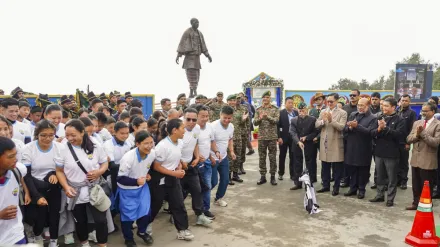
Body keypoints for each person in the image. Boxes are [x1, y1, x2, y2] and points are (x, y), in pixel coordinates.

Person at [55, 119, 110, 247]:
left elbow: (104, 162)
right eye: (67, 135)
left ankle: (103, 244)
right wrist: (66, 187)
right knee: (80, 221)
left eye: (73, 135)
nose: (69, 138)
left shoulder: (95, 145)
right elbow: (59, 171)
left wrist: (99, 172)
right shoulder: (63, 148)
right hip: (75, 191)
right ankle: (84, 244)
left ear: (82, 132)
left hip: (94, 188)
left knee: (101, 220)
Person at [148, 119, 194, 241]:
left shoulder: (179, 142)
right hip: (160, 180)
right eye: (182, 128)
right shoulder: (162, 146)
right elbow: (156, 166)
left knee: (178, 204)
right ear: (174, 130)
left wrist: (179, 165)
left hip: (173, 178)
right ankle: (145, 227)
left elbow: (177, 157)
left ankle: (182, 230)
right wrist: (174, 173)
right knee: (155, 205)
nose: (184, 130)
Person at [21, 120, 63, 247]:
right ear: (37, 135)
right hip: (35, 185)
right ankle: (37, 235)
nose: (47, 138)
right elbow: (26, 175)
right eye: (43, 135)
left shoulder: (59, 148)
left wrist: (54, 174)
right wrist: (37, 196)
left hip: (53, 185)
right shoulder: (28, 148)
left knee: (55, 214)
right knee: (40, 216)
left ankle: (54, 241)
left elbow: (63, 169)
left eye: (51, 135)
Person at [116, 130, 155, 247]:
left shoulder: (152, 153)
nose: (149, 146)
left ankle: (142, 232)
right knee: (127, 217)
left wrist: (148, 174)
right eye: (146, 143)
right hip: (127, 190)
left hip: (142, 188)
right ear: (137, 144)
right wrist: (136, 181)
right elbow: (120, 178)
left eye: (151, 143)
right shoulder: (128, 158)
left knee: (146, 212)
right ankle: (128, 238)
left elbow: (150, 165)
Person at [179, 108, 212, 225]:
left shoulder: (197, 128)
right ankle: (175, 214)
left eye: (194, 119)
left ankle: (200, 215)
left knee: (197, 190)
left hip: (192, 165)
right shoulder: (178, 130)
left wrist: (197, 157)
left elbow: (195, 144)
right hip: (178, 167)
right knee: (179, 194)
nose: (191, 122)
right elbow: (172, 149)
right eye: (188, 119)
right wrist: (181, 162)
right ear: (183, 118)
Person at [369, 97, 404, 207]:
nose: (384, 108)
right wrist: (379, 129)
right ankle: (379, 195)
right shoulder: (379, 117)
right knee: (380, 176)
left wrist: (386, 129)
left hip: (391, 153)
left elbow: (399, 135)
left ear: (393, 107)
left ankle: (390, 198)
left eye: (386, 106)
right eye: (383, 105)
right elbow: (373, 133)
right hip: (379, 152)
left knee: (391, 177)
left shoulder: (400, 119)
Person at [405, 102, 440, 210]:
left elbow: (435, 142)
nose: (423, 113)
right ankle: (415, 203)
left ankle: (426, 205)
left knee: (427, 185)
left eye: (426, 111)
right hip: (415, 159)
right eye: (422, 110)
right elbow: (408, 139)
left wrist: (423, 133)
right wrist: (416, 135)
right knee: (416, 184)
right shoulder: (417, 123)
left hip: (428, 160)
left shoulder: (438, 124)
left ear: (433, 111)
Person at [343, 98, 376, 199]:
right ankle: (353, 188)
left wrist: (357, 126)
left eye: (362, 105)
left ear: (368, 106)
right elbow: (345, 128)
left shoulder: (373, 118)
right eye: (358, 105)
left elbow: (370, 133)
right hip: (351, 146)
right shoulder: (353, 114)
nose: (360, 107)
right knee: (352, 169)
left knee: (363, 171)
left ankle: (361, 190)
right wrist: (349, 127)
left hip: (364, 148)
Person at [315, 93, 347, 196]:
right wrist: (323, 121)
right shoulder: (324, 111)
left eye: (331, 101)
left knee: (337, 167)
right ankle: (325, 185)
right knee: (325, 166)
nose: (329, 103)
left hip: (336, 142)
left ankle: (336, 187)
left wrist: (331, 120)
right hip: (324, 142)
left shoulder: (342, 113)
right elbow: (316, 124)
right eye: (328, 101)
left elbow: (341, 127)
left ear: (337, 101)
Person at [0, 137, 28, 245]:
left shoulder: (18, 170)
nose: (15, 159)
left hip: (14, 234)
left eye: (15, 154)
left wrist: (27, 192)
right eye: (10, 156)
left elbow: (24, 180)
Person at [176, 18, 212, 98]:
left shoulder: (199, 33)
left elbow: (203, 45)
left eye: (198, 22)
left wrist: (208, 55)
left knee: (197, 75)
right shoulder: (187, 32)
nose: (197, 24)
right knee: (191, 75)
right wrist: (179, 55)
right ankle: (193, 91)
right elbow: (182, 43)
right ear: (192, 23)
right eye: (196, 22)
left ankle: (193, 91)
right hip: (189, 58)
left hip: (197, 58)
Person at [195, 105, 218, 219]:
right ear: (197, 116)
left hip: (207, 161)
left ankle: (205, 209)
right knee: (192, 189)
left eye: (207, 116)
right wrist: (197, 156)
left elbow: (211, 142)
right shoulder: (193, 129)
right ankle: (176, 211)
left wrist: (215, 152)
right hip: (195, 163)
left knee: (209, 185)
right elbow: (193, 145)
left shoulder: (210, 127)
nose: (205, 118)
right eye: (202, 116)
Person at [289, 102, 319, 189]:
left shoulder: (313, 119)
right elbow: (292, 132)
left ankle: (309, 183)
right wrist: (298, 141)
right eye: (300, 110)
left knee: (310, 164)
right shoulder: (293, 120)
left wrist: (307, 137)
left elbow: (316, 132)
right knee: (297, 164)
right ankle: (297, 183)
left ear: (307, 110)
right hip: (297, 145)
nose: (302, 112)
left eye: (303, 110)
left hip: (309, 145)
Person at [210, 106, 235, 207]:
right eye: (224, 117)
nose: (226, 120)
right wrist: (215, 153)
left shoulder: (231, 126)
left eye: (229, 118)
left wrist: (231, 151)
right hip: (212, 157)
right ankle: (201, 198)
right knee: (213, 181)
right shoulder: (213, 126)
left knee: (225, 180)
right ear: (220, 115)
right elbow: (211, 142)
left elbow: (230, 140)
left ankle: (218, 198)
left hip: (223, 157)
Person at [254, 91, 280, 186]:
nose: (265, 99)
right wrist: (261, 118)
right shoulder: (258, 109)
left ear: (270, 99)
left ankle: (273, 177)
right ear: (262, 99)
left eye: (267, 97)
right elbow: (255, 123)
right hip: (262, 137)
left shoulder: (275, 109)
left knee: (272, 157)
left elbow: (276, 121)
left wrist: (267, 117)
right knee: (262, 157)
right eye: (264, 97)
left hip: (272, 137)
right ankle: (263, 176)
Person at [103, 122, 131, 195]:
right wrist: (129, 166)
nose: (125, 136)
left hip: (125, 173)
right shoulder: (108, 144)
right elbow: (112, 166)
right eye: (122, 133)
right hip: (112, 175)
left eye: (127, 133)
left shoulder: (128, 143)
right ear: (115, 132)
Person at [341, 89, 361, 188]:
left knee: (357, 161)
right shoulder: (345, 108)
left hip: (358, 139)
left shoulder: (361, 108)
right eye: (350, 95)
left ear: (358, 96)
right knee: (346, 160)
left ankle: (357, 181)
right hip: (346, 137)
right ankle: (346, 179)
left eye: (354, 95)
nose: (352, 97)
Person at [396, 94, 417, 190]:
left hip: (404, 142)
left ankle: (404, 181)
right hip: (395, 141)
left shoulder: (411, 113)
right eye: (402, 100)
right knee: (395, 162)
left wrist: (408, 143)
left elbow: (412, 128)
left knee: (404, 163)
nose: (404, 102)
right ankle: (397, 180)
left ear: (409, 102)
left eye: (406, 101)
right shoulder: (396, 111)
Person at [226, 94, 247, 184]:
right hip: (228, 137)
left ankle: (235, 174)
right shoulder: (225, 111)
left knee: (237, 156)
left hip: (238, 136)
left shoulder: (239, 110)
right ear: (227, 101)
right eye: (230, 100)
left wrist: (243, 119)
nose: (232, 102)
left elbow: (241, 124)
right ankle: (228, 177)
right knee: (229, 158)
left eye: (234, 100)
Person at [277, 97, 298, 181]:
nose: (291, 104)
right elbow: (277, 126)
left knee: (293, 157)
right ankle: (281, 173)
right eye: (289, 103)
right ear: (285, 104)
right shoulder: (281, 113)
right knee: (282, 156)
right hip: (283, 138)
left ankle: (292, 174)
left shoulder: (295, 113)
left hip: (293, 138)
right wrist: (279, 137)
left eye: (292, 103)